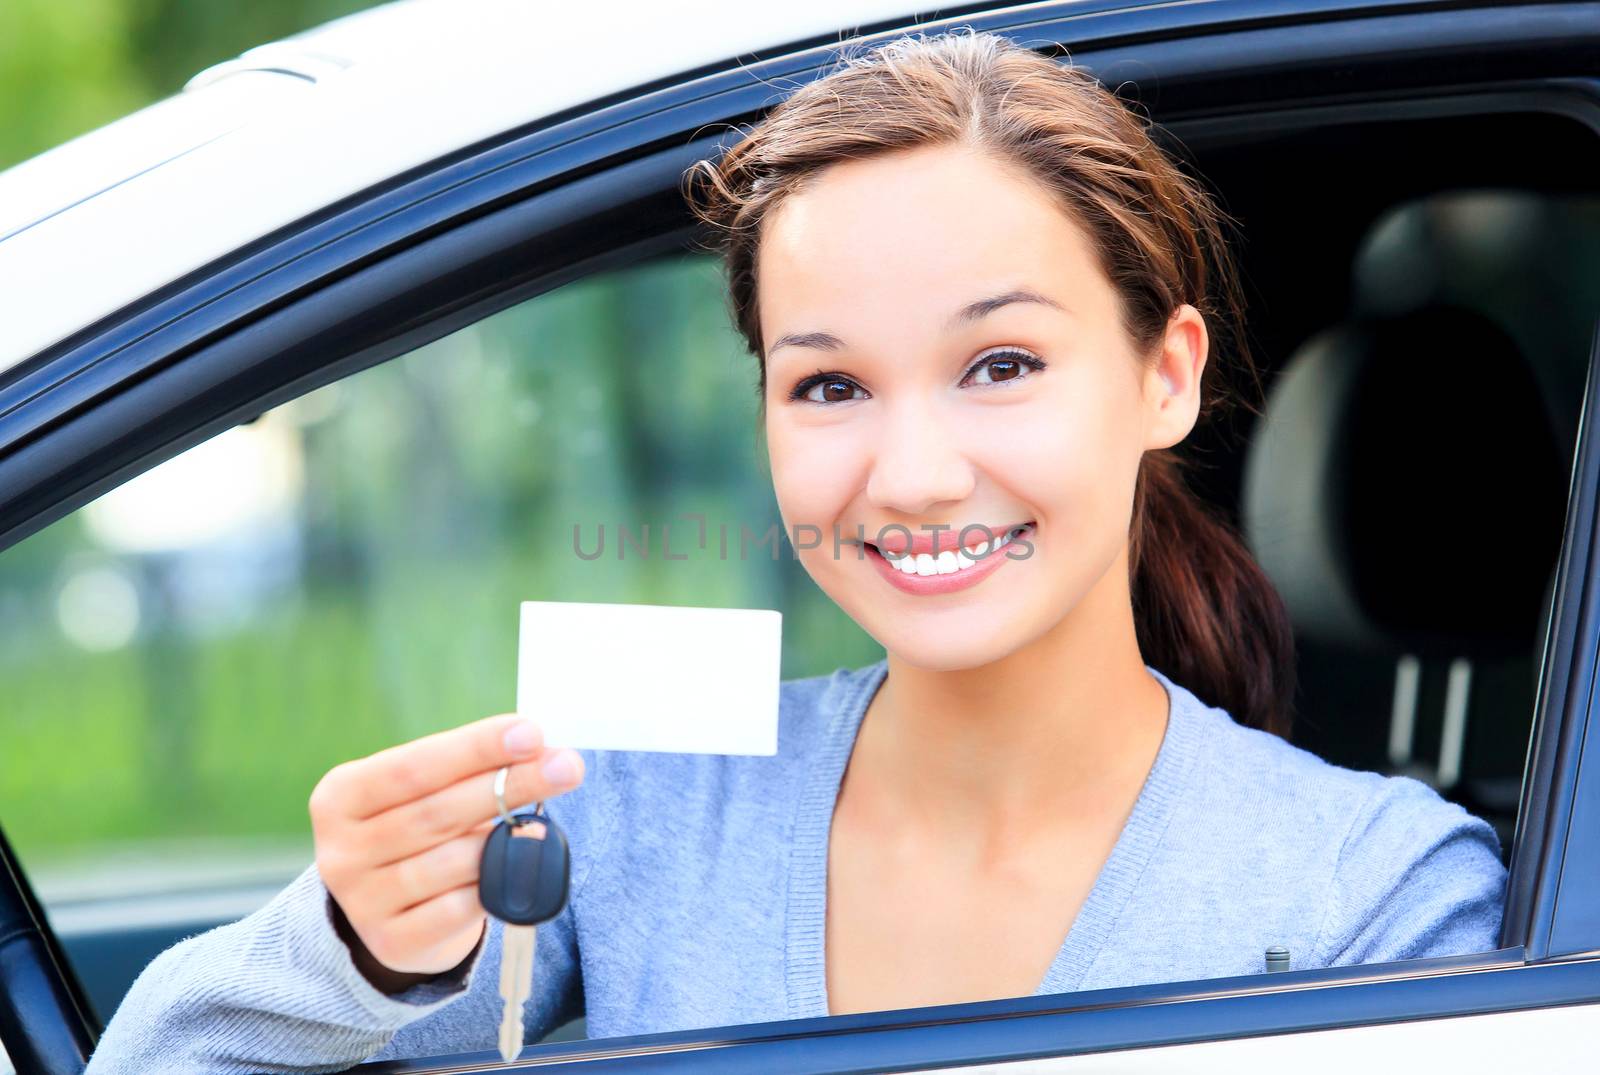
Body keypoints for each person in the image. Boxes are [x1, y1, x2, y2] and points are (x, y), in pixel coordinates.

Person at [85, 28, 1506, 1071]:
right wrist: (352, 947)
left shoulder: (1373, 897)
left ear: (1165, 376)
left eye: (1002, 364)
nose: (914, 472)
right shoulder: (643, 800)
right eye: (828, 385)